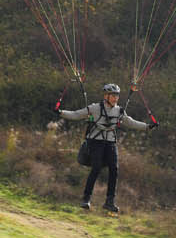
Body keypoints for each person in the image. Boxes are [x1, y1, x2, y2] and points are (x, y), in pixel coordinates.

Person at [58, 82, 149, 213]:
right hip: (95, 142)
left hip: (110, 143)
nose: (116, 98)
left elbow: (130, 122)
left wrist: (147, 127)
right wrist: (61, 112)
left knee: (114, 169)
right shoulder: (95, 108)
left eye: (117, 96)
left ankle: (109, 202)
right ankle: (86, 199)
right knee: (96, 168)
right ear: (106, 96)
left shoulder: (119, 111)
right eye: (113, 95)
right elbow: (77, 114)